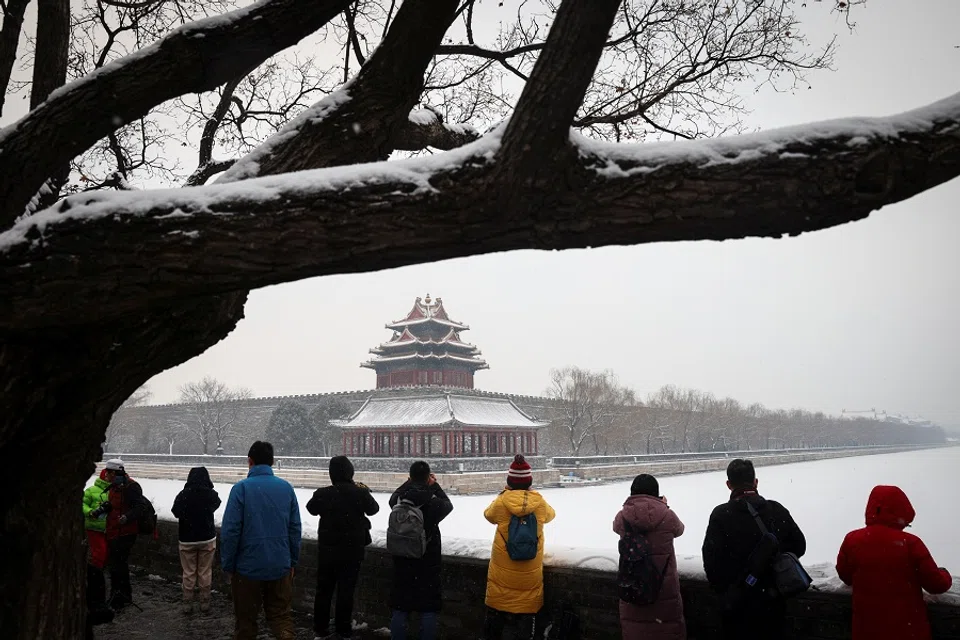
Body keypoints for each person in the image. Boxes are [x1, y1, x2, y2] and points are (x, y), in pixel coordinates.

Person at [702, 458, 806, 640]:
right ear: (755, 482)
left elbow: (712, 565)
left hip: (737, 606)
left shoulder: (721, 516)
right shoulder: (776, 510)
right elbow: (799, 546)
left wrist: (732, 589)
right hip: (773, 604)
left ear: (729, 485)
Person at [836, 485, 952, 640]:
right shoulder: (911, 544)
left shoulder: (852, 540)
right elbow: (936, 585)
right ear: (901, 513)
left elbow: (845, 575)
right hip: (907, 631)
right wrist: (944, 574)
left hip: (866, 631)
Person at [221, 441, 302, 640]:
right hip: (280, 564)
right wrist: (292, 561)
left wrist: (228, 565)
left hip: (247, 568)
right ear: (273, 462)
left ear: (250, 461)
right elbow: (294, 529)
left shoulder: (241, 489)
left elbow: (231, 531)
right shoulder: (286, 489)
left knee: (246, 621)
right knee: (281, 617)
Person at [306, 455, 380, 640]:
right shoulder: (359, 493)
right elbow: (374, 509)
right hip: (352, 551)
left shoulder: (323, 493)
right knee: (346, 591)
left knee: (324, 590)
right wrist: (358, 488)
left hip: (328, 550)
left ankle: (320, 627)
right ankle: (343, 627)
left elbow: (311, 509)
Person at [483, 454, 556, 640]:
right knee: (526, 615)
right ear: (529, 481)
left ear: (509, 480)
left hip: (502, 573)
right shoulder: (538, 503)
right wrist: (532, 495)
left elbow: (488, 515)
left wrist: (504, 493)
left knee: (496, 618)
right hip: (529, 572)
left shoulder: (501, 502)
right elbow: (551, 515)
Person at [613, 474, 686, 640]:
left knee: (635, 630)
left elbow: (615, 527)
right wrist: (663, 506)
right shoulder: (667, 516)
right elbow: (680, 530)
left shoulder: (622, 517)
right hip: (662, 589)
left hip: (633, 588)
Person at [387, 461, 454, 640]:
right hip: (427, 560)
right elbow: (448, 504)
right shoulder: (433, 502)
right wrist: (435, 485)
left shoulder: (400, 500)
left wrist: (409, 482)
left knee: (400, 606)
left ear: (410, 477)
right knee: (428, 608)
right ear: (427, 478)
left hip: (402, 558)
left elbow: (392, 497)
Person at [172, 466, 221, 614]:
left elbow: (176, 512)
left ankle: (187, 602)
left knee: (189, 572)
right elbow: (216, 504)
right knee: (205, 571)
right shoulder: (210, 494)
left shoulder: (183, 495)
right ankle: (204, 601)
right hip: (207, 537)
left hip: (187, 539)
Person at [101, 458, 146, 610]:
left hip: (126, 533)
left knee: (117, 565)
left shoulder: (131, 487)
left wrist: (126, 517)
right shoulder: (114, 487)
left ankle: (118, 597)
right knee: (118, 565)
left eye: (108, 472)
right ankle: (122, 595)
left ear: (114, 472)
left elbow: (140, 507)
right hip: (114, 531)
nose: (106, 475)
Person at [83, 469, 113, 616]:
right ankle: (96, 573)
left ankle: (97, 572)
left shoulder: (112, 491)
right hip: (94, 527)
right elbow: (82, 505)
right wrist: (92, 512)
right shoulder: (91, 491)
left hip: (108, 529)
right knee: (98, 552)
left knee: (104, 552)